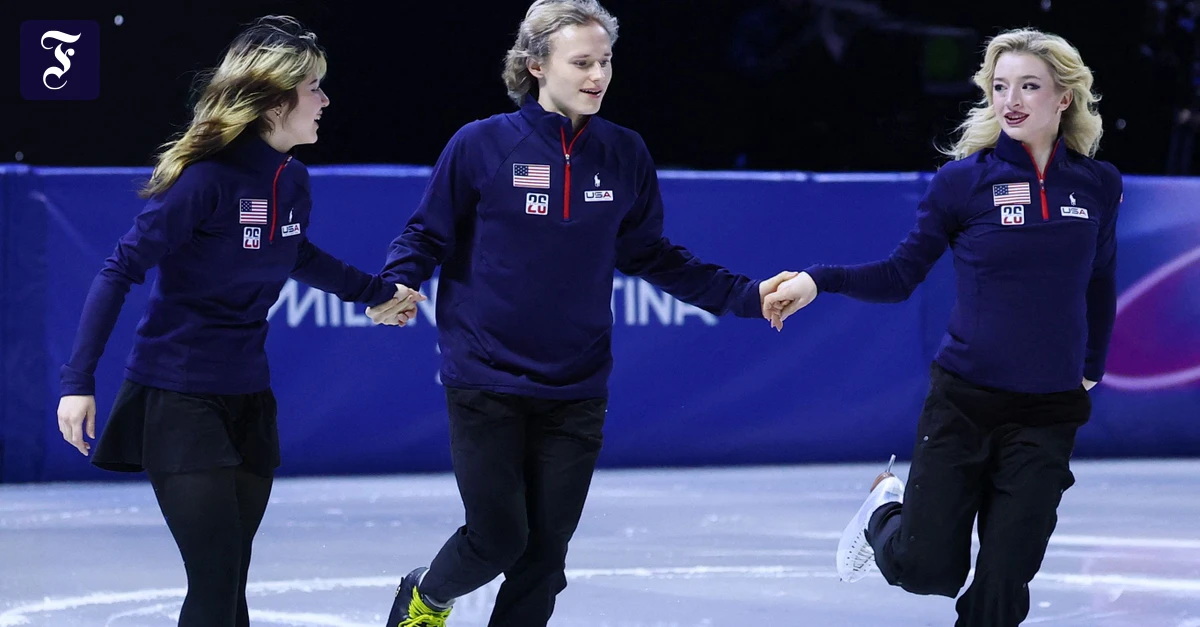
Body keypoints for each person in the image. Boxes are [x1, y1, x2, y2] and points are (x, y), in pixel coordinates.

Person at [365, 1, 794, 625]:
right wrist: (398, 282)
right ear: (537, 66)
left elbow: (653, 255)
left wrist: (748, 296)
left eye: (606, 62)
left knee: (544, 559)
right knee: (497, 539)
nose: (598, 76)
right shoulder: (481, 144)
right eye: (582, 62)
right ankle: (425, 596)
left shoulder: (625, 152)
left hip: (578, 385)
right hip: (485, 377)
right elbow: (426, 234)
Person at [54, 16, 418, 627]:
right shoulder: (205, 180)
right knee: (216, 580)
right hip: (178, 398)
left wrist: (377, 293)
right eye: (314, 88)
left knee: (231, 582)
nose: (326, 101)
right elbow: (119, 269)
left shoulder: (291, 179)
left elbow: (295, 252)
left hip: (248, 399)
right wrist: (76, 382)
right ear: (276, 103)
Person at [763, 28, 1121, 627]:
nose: (1011, 100)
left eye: (1029, 86)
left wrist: (1092, 366)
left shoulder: (1098, 183)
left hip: (1049, 411)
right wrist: (819, 279)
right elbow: (900, 274)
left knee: (1003, 585)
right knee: (927, 569)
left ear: (1064, 97)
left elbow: (1100, 279)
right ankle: (884, 508)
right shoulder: (963, 182)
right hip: (965, 403)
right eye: (1000, 86)